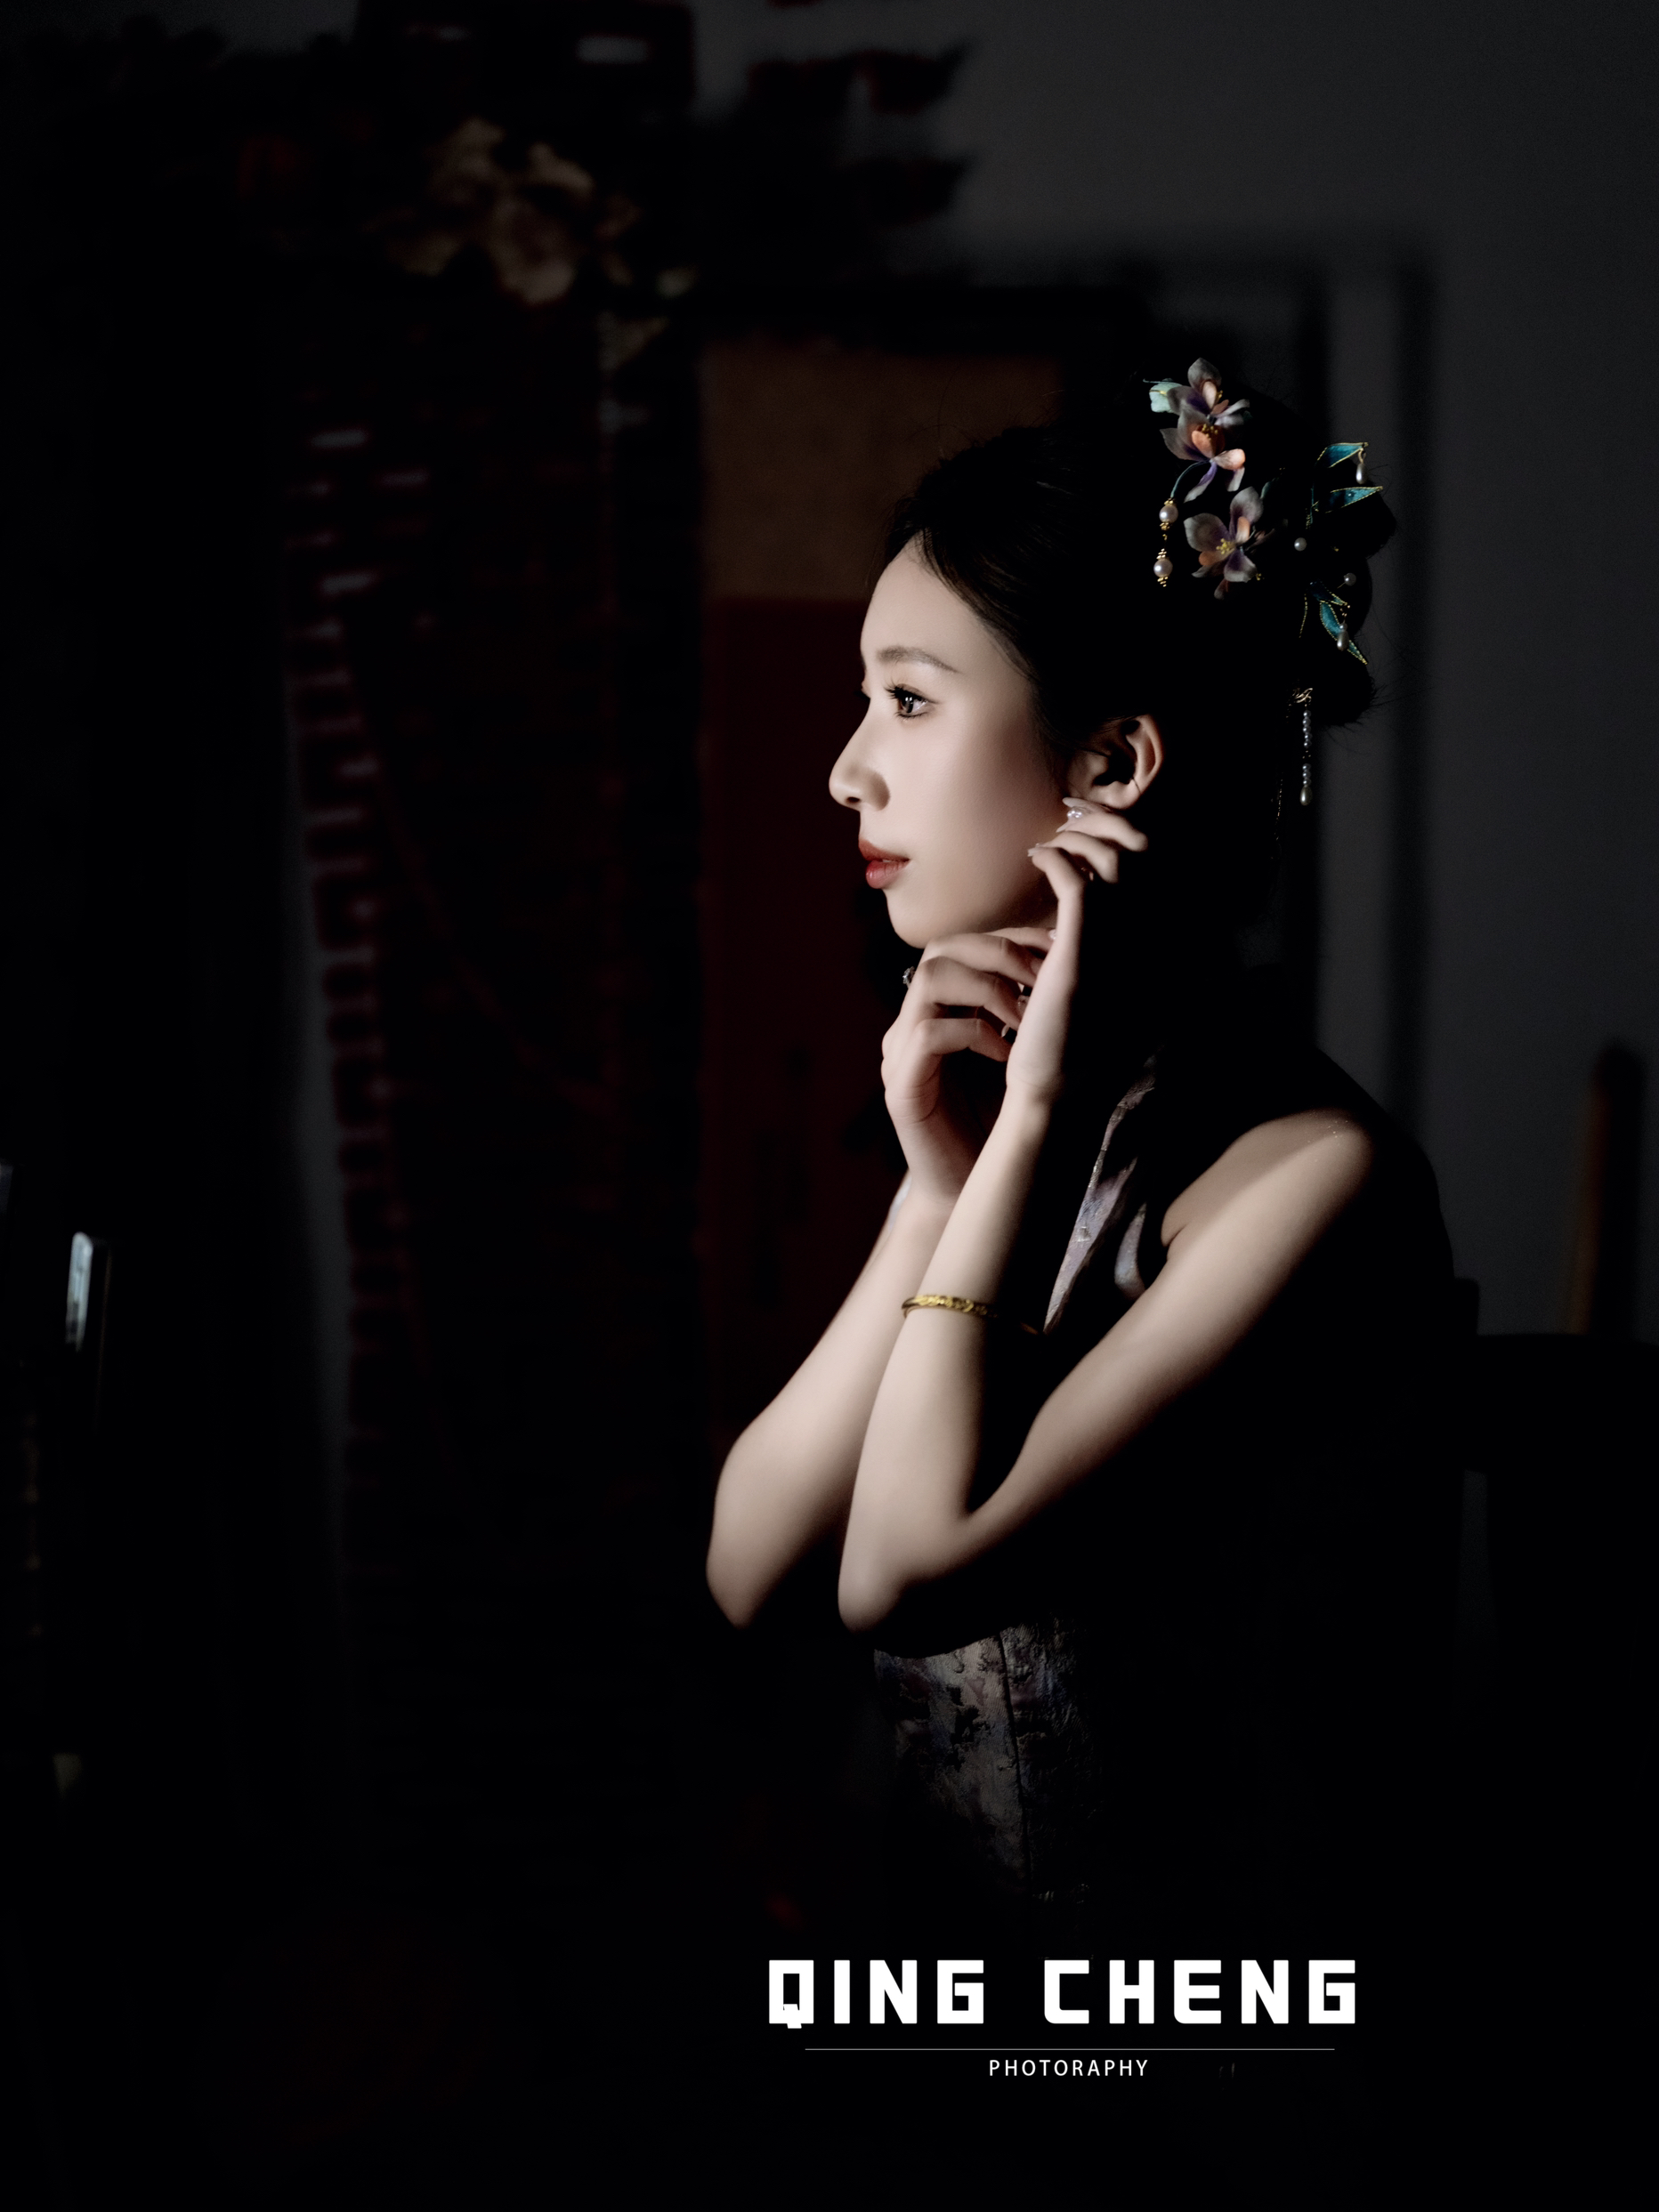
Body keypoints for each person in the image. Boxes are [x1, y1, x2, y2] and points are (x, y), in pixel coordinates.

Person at [705, 367, 1461, 1978]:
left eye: (909, 701)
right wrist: (936, 1189)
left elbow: (898, 1576)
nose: (847, 769)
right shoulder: (1001, 1154)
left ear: (1113, 763)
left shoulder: (1303, 1177)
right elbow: (748, 1564)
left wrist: (1033, 1110)